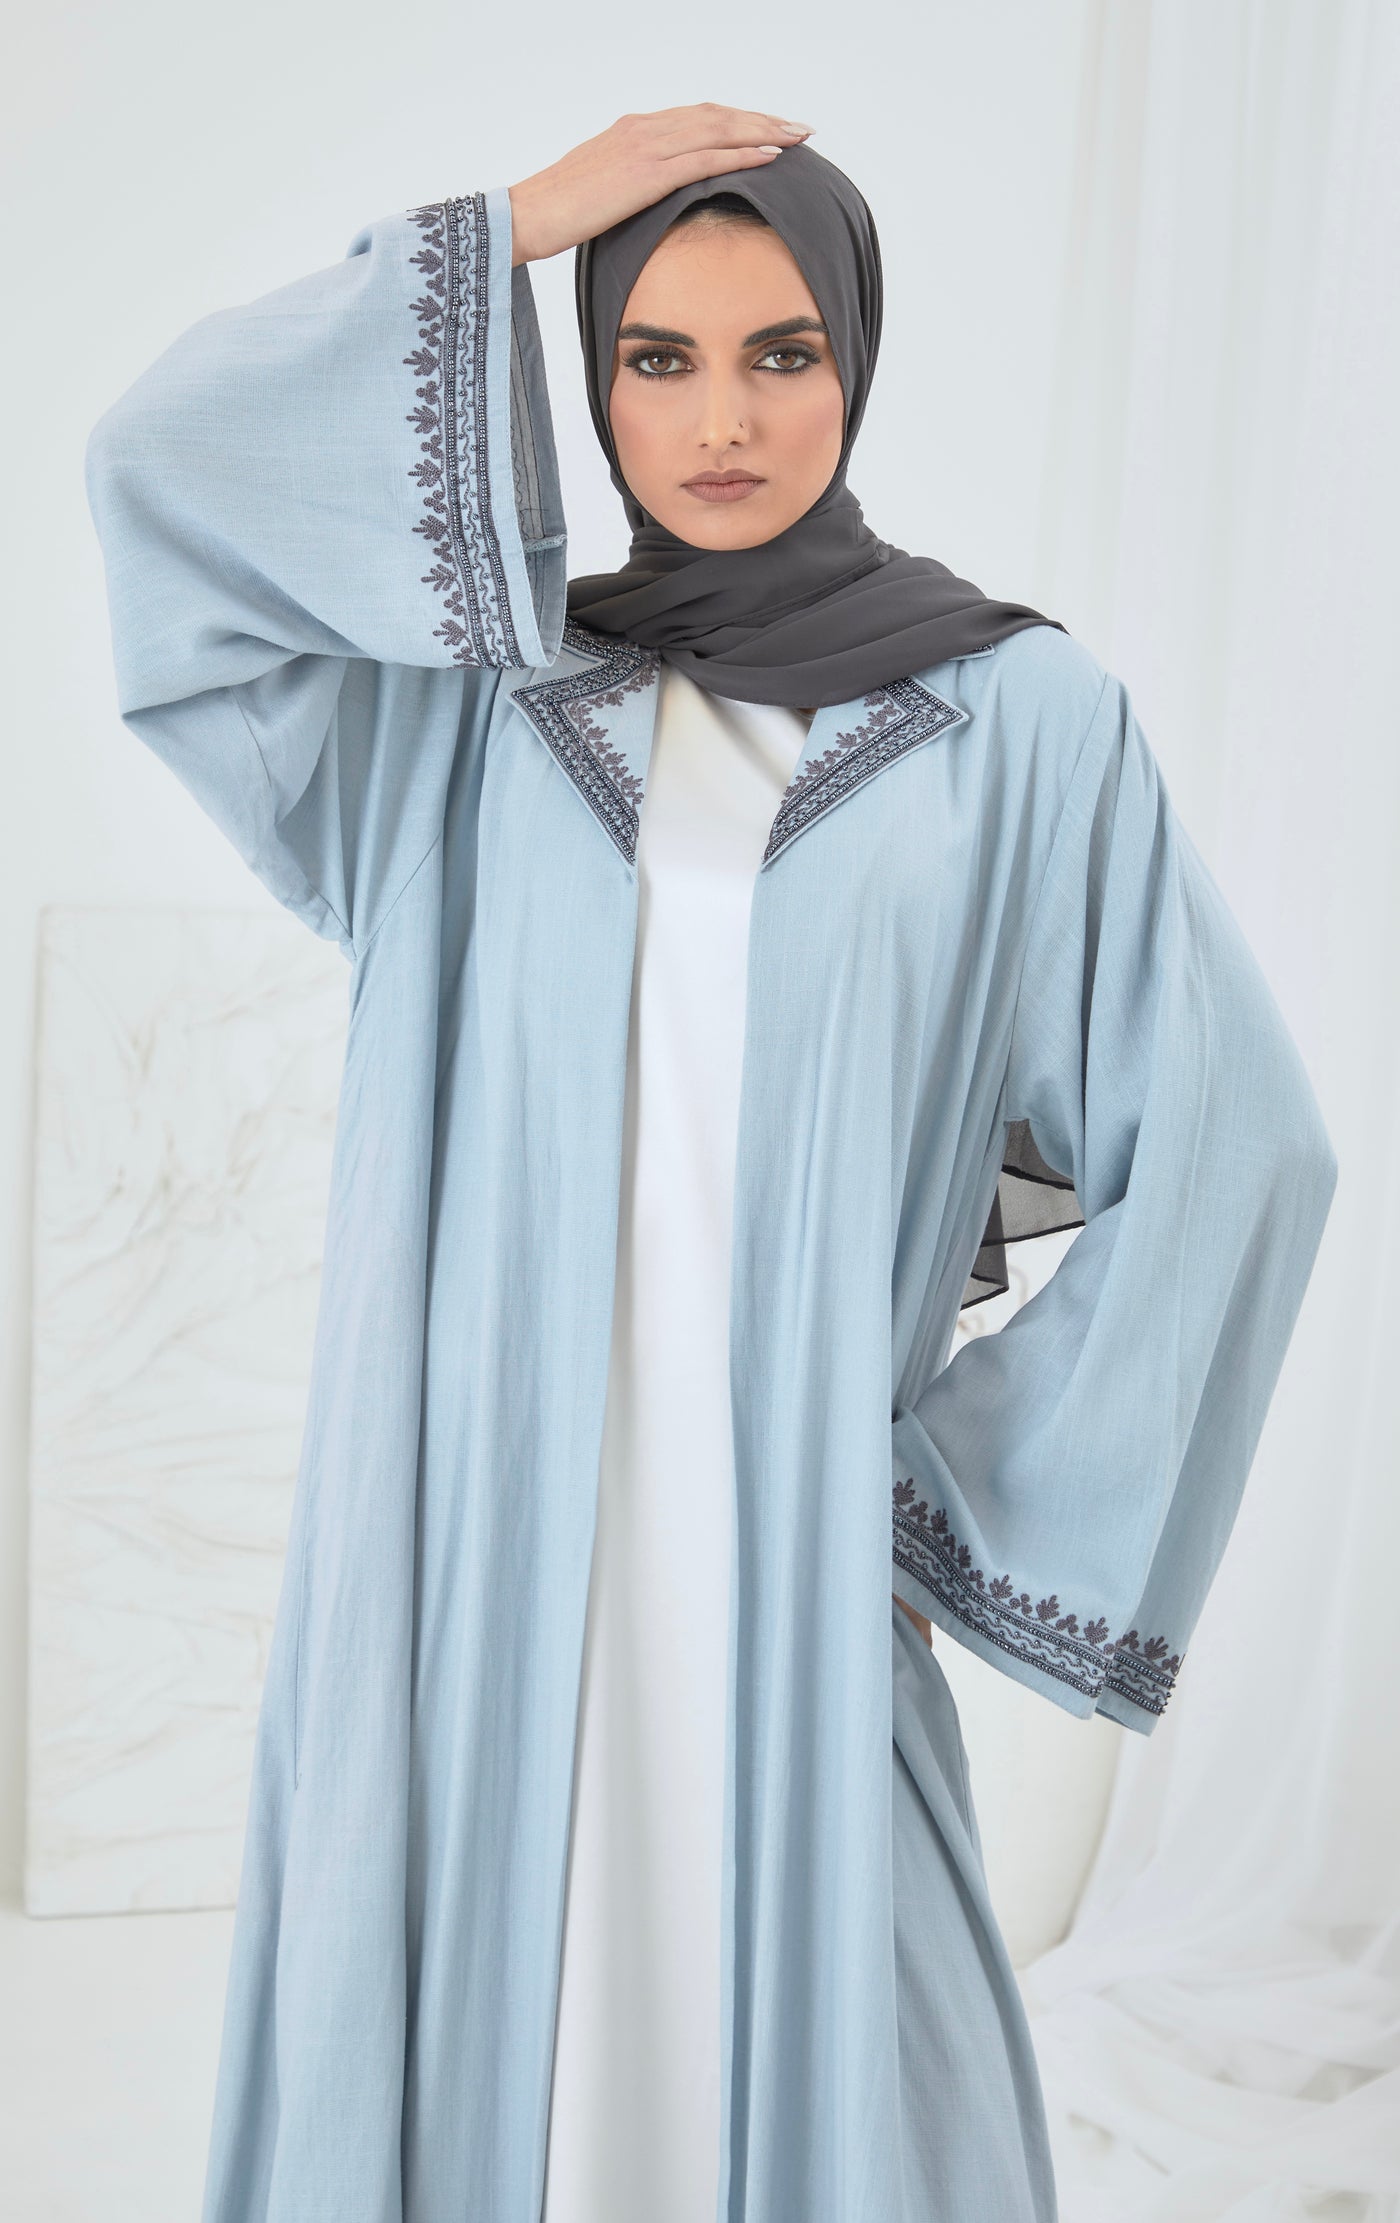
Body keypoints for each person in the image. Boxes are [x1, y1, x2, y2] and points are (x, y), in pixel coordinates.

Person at [85, 105, 1337, 2223]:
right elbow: (161, 477)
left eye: (781, 352)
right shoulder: (470, 704)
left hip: (785, 1519)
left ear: (857, 359)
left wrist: (938, 1481)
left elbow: (1228, 1139)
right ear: (586, 380)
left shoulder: (1013, 719)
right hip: (478, 1512)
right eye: (653, 356)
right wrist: (513, 226)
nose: (722, 419)